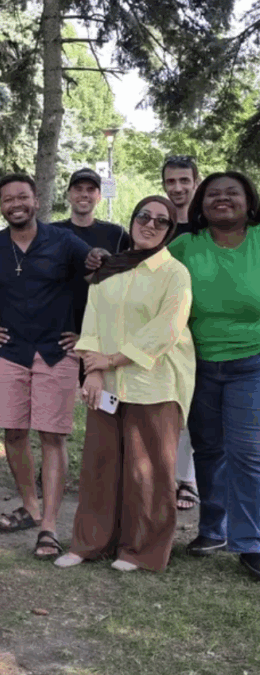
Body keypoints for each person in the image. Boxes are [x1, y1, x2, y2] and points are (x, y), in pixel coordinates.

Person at [0, 173, 97, 560]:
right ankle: (30, 507)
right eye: (7, 199)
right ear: (1, 206)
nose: (15, 204)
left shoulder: (63, 241)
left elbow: (100, 282)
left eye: (22, 197)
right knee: (14, 433)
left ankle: (49, 526)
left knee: (52, 436)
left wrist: (86, 335)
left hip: (56, 351)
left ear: (36, 201)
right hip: (11, 352)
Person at [53, 196, 194, 573]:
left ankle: (140, 551)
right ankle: (90, 543)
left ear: (170, 231)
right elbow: (92, 321)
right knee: (100, 464)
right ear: (132, 221)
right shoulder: (109, 269)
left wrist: (113, 359)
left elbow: (166, 328)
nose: (150, 224)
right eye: (144, 216)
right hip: (108, 381)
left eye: (161, 221)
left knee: (148, 472)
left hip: (156, 381)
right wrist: (93, 370)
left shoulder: (174, 273)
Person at [168, 171, 260, 580]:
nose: (222, 199)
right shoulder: (186, 244)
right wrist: (101, 261)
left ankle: (251, 542)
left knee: (247, 452)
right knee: (207, 449)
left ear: (248, 201)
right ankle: (212, 530)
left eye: (231, 193)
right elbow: (146, 271)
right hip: (199, 363)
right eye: (213, 194)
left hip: (252, 363)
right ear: (201, 205)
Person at [49, 168, 130, 358]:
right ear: (69, 195)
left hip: (102, 334)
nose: (84, 194)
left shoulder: (117, 234)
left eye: (91, 189)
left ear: (99, 196)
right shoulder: (51, 233)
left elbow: (128, 282)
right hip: (61, 335)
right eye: (78, 189)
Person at [162, 155, 202, 511]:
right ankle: (167, 475)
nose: (177, 188)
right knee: (171, 402)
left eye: (184, 181)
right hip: (165, 330)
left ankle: (188, 479)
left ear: (195, 182)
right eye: (171, 181)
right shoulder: (158, 222)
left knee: (196, 404)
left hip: (203, 328)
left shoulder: (207, 223)